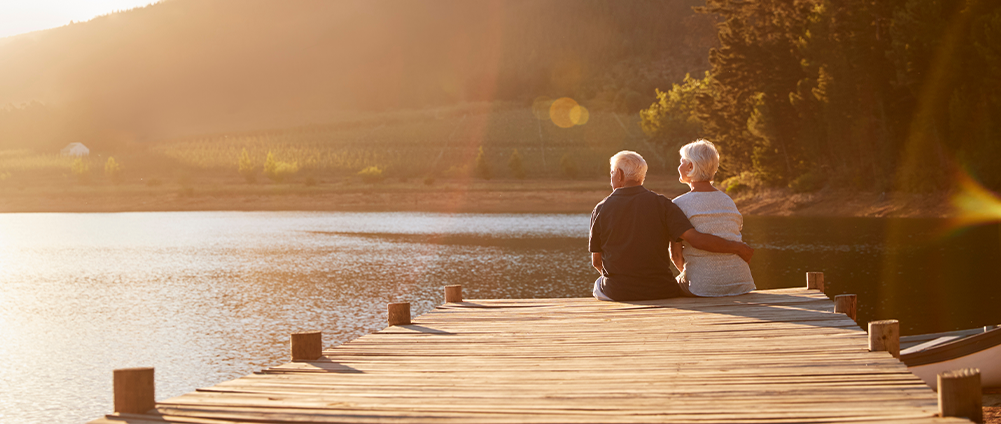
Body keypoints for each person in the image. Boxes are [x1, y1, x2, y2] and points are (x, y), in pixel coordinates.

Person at [589, 150, 753, 301]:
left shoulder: (600, 209)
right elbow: (694, 239)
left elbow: (596, 262)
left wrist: (622, 281)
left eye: (611, 173)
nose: (611, 177)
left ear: (619, 175)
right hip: (661, 289)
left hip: (618, 291)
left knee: (598, 285)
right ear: (641, 177)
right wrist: (737, 247)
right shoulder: (664, 204)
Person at [670, 139, 755, 297]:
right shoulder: (728, 200)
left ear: (690, 166)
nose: (678, 166)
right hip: (741, 283)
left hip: (702, 288)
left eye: (682, 162)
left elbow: (676, 256)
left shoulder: (678, 204)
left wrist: (701, 277)